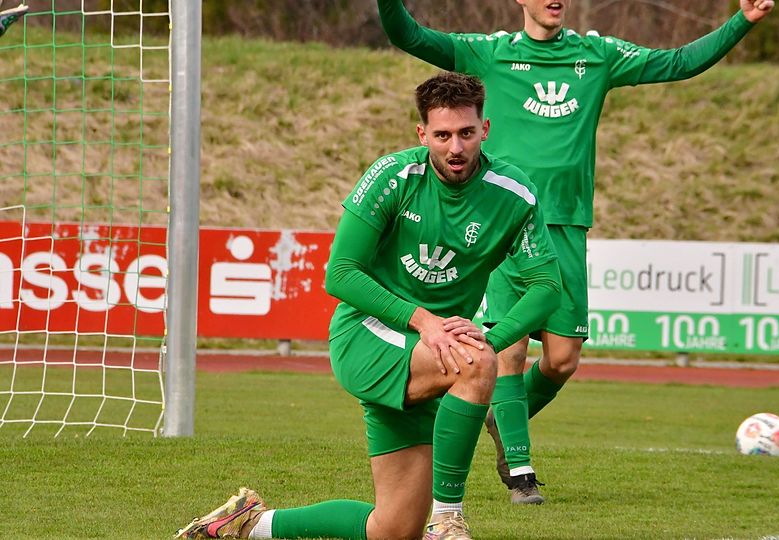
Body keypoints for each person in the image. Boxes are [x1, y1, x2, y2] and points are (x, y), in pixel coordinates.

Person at [377, 0, 776, 504]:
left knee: (563, 360)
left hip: (565, 224)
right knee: (508, 349)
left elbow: (678, 62)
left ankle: (501, 419)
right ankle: (521, 471)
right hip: (502, 220)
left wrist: (742, 21)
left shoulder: (598, 55)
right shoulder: (488, 54)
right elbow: (408, 35)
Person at [175, 72, 561, 540]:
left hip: (435, 351)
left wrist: (491, 338)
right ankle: (448, 519)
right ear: (422, 134)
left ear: (485, 129)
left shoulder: (513, 193)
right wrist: (425, 321)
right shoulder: (392, 177)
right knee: (476, 363)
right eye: (442, 135)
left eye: (466, 132)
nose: (455, 147)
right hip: (368, 335)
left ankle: (248, 524)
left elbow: (546, 286)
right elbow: (340, 274)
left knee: (393, 529)